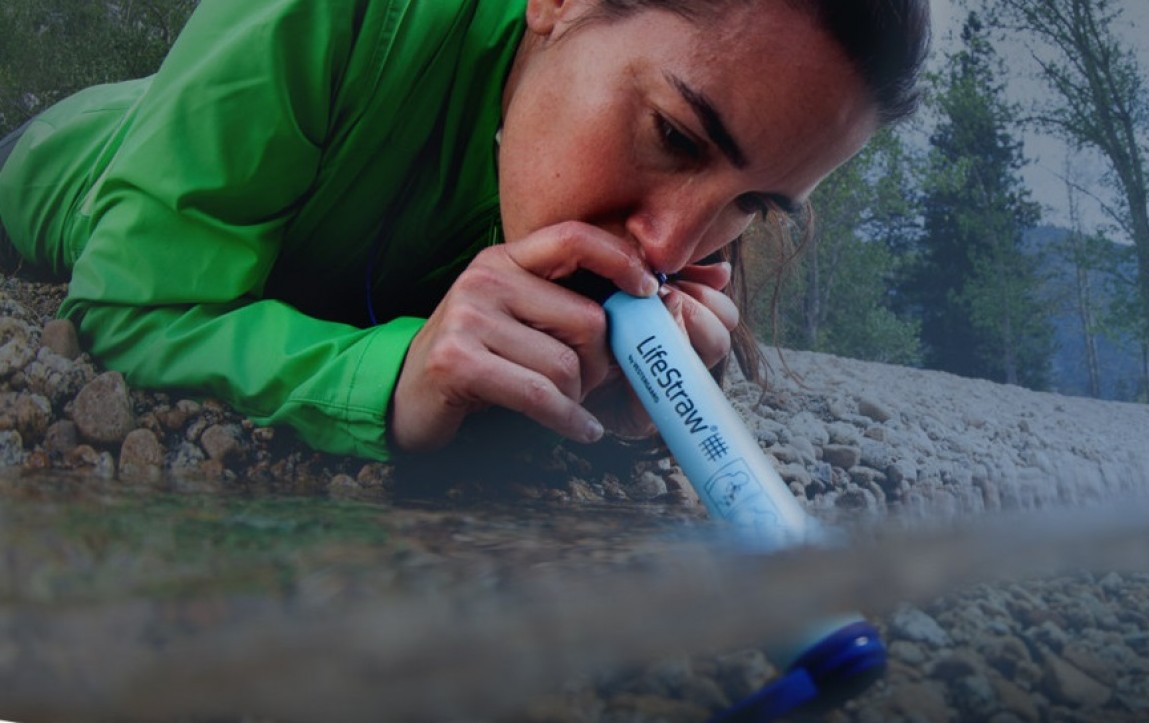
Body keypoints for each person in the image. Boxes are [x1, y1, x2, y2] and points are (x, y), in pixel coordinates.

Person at [0, 0, 930, 462]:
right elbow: (130, 302)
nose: (669, 246)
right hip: (53, 156)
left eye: (750, 207)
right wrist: (389, 379)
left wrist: (615, 400)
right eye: (674, 136)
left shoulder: (662, 241)